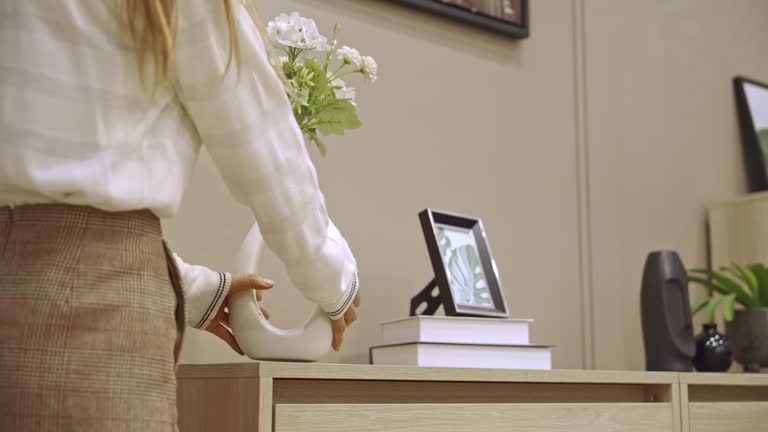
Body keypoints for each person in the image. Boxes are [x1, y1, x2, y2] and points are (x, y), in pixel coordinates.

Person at [0, 0, 360, 430]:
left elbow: (31, 228)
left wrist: (194, 289)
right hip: (91, 328)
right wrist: (335, 282)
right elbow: (268, 156)